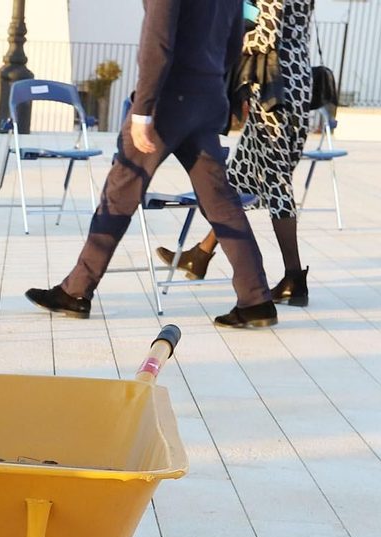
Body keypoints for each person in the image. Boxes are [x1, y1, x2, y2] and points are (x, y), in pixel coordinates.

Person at [25, 0, 279, 329]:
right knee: (221, 203)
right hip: (208, 96)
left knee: (120, 193)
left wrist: (143, 107)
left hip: (167, 101)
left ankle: (75, 292)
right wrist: (211, 80)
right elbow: (234, 43)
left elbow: (157, 41)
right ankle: (257, 299)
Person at [155, 0, 314, 306]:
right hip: (294, 78)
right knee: (240, 174)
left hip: (274, 87)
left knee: (276, 177)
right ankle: (200, 255)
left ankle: (294, 277)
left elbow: (266, 35)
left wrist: (224, 42)